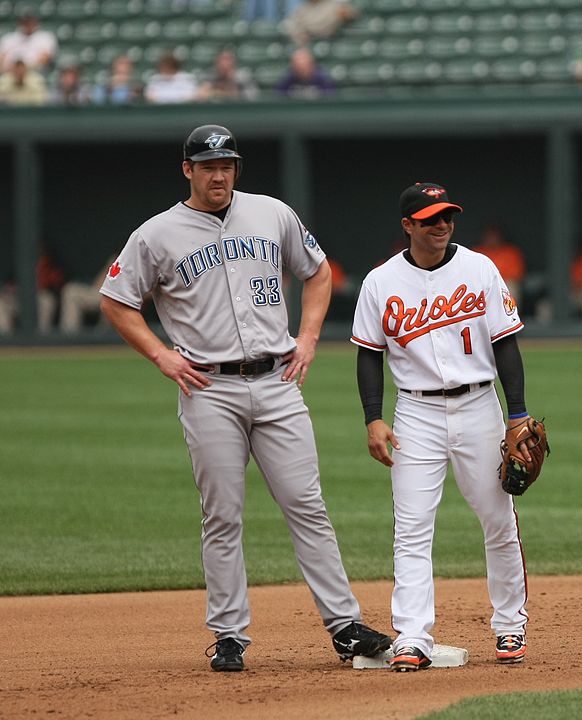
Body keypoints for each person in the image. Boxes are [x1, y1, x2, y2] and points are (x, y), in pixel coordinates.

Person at [99, 124, 391, 672]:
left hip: (278, 382)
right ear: (187, 169)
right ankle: (229, 634)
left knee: (308, 506)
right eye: (208, 166)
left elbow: (319, 271)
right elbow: (116, 300)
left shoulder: (272, 213)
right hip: (209, 388)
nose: (218, 174)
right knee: (223, 515)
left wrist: (306, 338)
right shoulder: (156, 234)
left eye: (227, 165)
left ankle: (345, 626)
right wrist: (162, 355)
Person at [351, 182, 535, 671]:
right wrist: (374, 416)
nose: (442, 225)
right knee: (411, 527)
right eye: (430, 218)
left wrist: (516, 412)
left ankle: (511, 626)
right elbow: (368, 355)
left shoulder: (479, 267)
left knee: (498, 519)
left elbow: (506, 345)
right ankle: (412, 636)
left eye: (447, 216)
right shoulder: (380, 282)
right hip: (416, 413)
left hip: (480, 407)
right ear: (408, 225)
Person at [471, 223, 526, 307]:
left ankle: (510, 317)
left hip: (503, 286)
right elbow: (471, 275)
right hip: (482, 286)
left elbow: (515, 276)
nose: (491, 239)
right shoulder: (476, 252)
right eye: (489, 236)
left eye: (494, 236)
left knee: (512, 287)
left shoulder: (510, 252)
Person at [59, 254, 117, 333]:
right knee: (70, 290)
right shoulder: (117, 257)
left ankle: (102, 337)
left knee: (72, 292)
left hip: (114, 296)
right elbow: (98, 284)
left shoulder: (127, 258)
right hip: (102, 292)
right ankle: (69, 337)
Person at [0, 9, 57, 73]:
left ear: (36, 21)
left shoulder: (45, 37)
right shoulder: (8, 38)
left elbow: (46, 59)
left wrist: (22, 69)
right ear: (20, 22)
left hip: (34, 74)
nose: (28, 24)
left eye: (30, 21)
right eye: (25, 21)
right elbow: (1, 58)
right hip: (10, 73)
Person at [284, 0, 358, 47]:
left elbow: (354, 14)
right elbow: (291, 25)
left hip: (334, 41)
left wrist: (345, 14)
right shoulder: (302, 10)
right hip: (310, 45)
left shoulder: (334, 4)